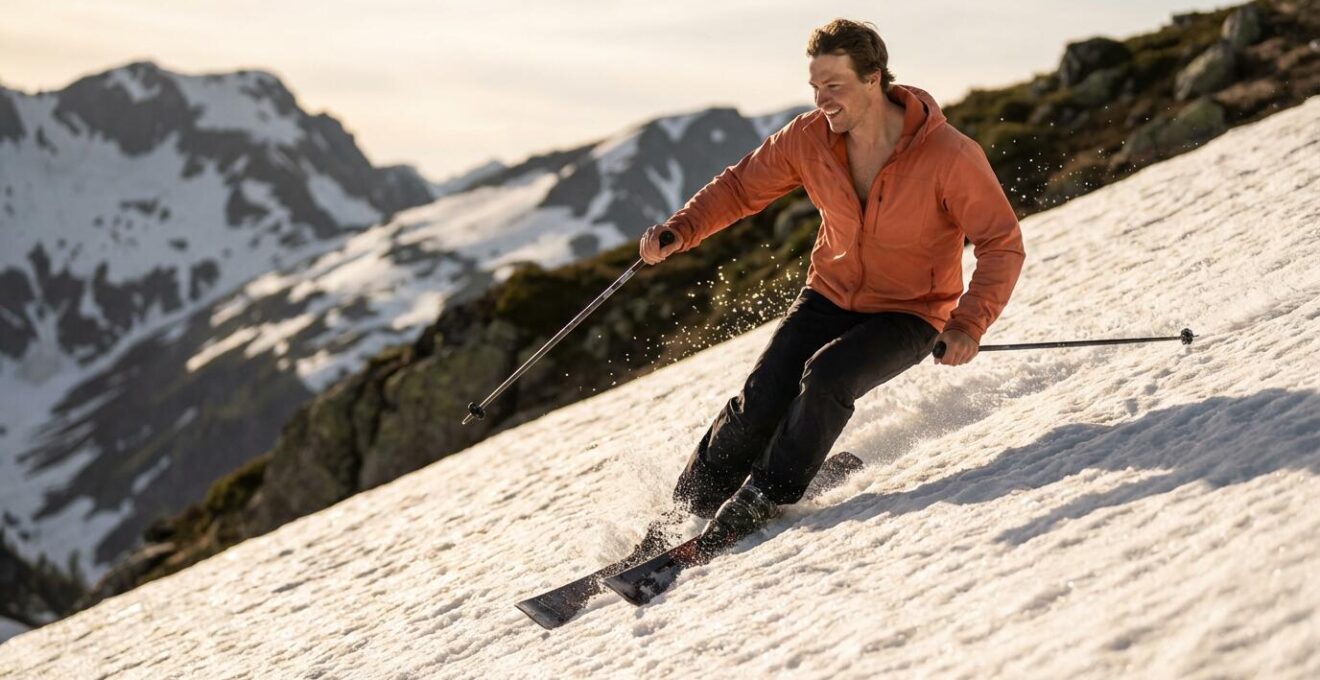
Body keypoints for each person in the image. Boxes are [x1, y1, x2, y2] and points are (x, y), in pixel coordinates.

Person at [637, 19, 1026, 543]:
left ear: (873, 78)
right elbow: (741, 187)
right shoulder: (809, 138)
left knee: (826, 378)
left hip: (911, 311)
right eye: (815, 86)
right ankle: (684, 513)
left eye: (834, 85)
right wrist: (682, 229)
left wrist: (968, 324)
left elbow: (1001, 242)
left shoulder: (948, 155)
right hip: (829, 293)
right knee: (761, 399)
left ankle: (765, 495)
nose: (822, 99)